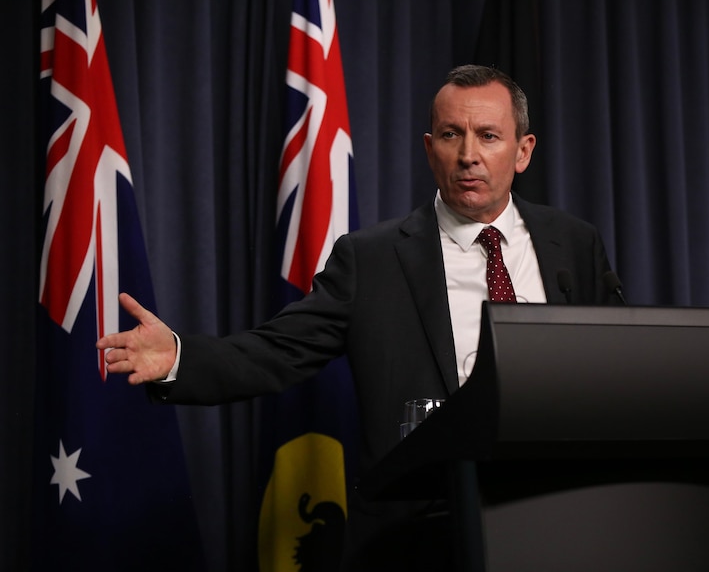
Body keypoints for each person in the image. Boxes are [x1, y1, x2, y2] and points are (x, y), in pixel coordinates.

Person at [97, 64, 617, 570]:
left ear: (523, 151)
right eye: (451, 134)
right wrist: (180, 359)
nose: (468, 156)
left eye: (488, 136)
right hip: (423, 530)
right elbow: (279, 350)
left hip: (555, 515)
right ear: (428, 146)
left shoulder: (573, 243)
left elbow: (622, 363)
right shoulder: (372, 259)